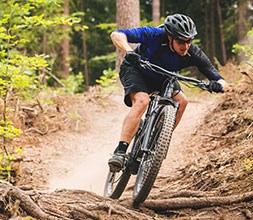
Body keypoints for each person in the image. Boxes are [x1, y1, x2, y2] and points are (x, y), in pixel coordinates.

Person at [108, 13, 228, 172]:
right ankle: (121, 151)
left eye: (189, 41)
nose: (185, 46)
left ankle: (158, 141)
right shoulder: (155, 35)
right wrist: (129, 52)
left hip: (164, 77)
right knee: (142, 101)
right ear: (170, 37)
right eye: (181, 41)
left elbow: (220, 78)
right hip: (136, 70)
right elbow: (117, 35)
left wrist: (218, 85)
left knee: (182, 101)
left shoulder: (193, 52)